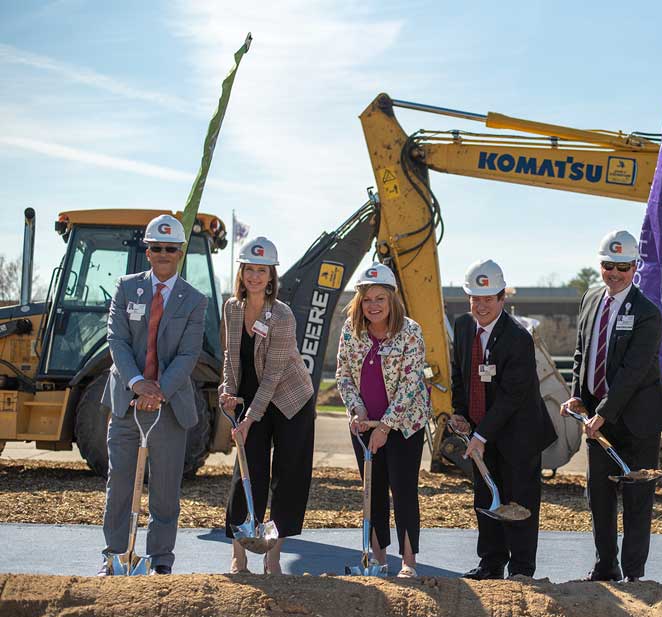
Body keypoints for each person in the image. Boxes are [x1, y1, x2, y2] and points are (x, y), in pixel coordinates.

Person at [560, 230, 662, 583]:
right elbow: (581, 354)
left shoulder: (648, 313)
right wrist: (578, 396)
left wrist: (602, 413)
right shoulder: (590, 300)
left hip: (638, 421)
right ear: (600, 265)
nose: (615, 273)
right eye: (608, 265)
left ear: (634, 267)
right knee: (599, 496)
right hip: (598, 418)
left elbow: (633, 372)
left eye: (623, 267)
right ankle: (606, 566)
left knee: (637, 500)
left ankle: (634, 575)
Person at [99, 214, 208, 575]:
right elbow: (116, 339)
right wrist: (136, 383)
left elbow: (189, 354)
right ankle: (115, 557)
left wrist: (158, 390)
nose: (163, 253)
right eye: (156, 247)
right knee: (119, 484)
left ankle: (160, 561)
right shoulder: (126, 288)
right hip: (126, 403)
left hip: (169, 407)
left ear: (179, 252)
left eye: (170, 248)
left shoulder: (195, 300)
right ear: (147, 252)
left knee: (164, 490)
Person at [451, 259, 557, 580]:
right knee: (486, 496)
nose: (481, 306)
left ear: (502, 299)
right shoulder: (463, 327)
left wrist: (480, 435)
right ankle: (491, 563)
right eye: (475, 299)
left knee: (519, 500)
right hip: (483, 430)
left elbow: (512, 396)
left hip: (519, 434)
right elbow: (460, 375)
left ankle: (522, 569)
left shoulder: (517, 337)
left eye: (488, 299)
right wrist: (460, 413)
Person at [219, 237, 315, 575]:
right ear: (241, 272)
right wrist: (228, 392)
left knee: (287, 477)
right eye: (249, 269)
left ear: (272, 275)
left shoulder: (282, 315)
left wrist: (249, 419)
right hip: (251, 397)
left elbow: (273, 376)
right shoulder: (232, 308)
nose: (255, 276)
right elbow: (231, 358)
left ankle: (273, 556)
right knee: (247, 472)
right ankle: (239, 555)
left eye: (262, 270)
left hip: (290, 400)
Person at [336, 262, 430, 578]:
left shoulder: (410, 332)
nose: (373, 305)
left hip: (404, 426)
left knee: (403, 490)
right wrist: (357, 410)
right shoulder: (351, 330)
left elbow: (410, 384)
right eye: (367, 299)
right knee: (372, 492)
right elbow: (343, 374)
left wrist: (386, 427)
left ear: (392, 299)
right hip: (365, 425)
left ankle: (408, 563)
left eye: (380, 298)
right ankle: (377, 561)